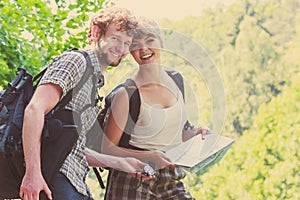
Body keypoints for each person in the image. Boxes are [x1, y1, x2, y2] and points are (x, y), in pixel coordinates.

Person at [19, 7, 152, 200]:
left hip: (76, 184)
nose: (121, 49)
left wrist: (122, 163)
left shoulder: (93, 81)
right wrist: (32, 174)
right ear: (96, 32)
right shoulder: (76, 62)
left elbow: (75, 149)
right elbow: (34, 109)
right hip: (56, 180)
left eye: (127, 43)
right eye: (115, 38)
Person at [101, 17, 211, 199]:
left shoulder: (176, 79)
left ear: (161, 41)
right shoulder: (127, 94)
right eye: (136, 44)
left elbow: (178, 133)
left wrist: (197, 133)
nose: (143, 49)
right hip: (132, 179)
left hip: (169, 177)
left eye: (150, 40)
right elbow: (107, 149)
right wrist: (151, 156)